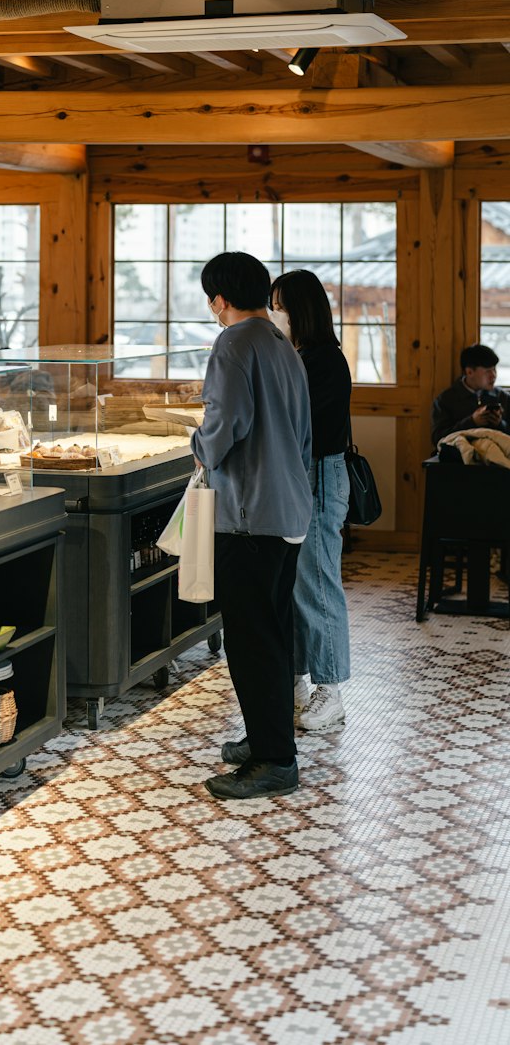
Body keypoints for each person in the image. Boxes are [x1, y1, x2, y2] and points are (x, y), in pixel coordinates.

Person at [192, 251, 312, 801]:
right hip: (287, 508)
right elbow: (301, 432)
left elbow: (223, 428)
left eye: (211, 301)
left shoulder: (233, 343)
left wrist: (197, 444)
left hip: (249, 517)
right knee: (274, 630)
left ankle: (273, 760)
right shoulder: (283, 345)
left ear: (219, 299)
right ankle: (269, 735)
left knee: (251, 639)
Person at [270, 270, 352, 734]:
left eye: (281, 306)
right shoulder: (298, 356)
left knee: (319, 585)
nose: (274, 314)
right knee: (296, 588)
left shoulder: (324, 361)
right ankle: (300, 680)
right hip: (300, 480)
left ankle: (331, 690)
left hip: (319, 477)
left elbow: (310, 432)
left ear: (302, 310)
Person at [431, 343, 510, 447]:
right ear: (469, 372)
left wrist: (500, 424)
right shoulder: (445, 400)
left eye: (494, 369)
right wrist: (472, 421)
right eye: (487, 371)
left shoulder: (503, 397)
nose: (493, 376)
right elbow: (438, 439)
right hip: (458, 460)